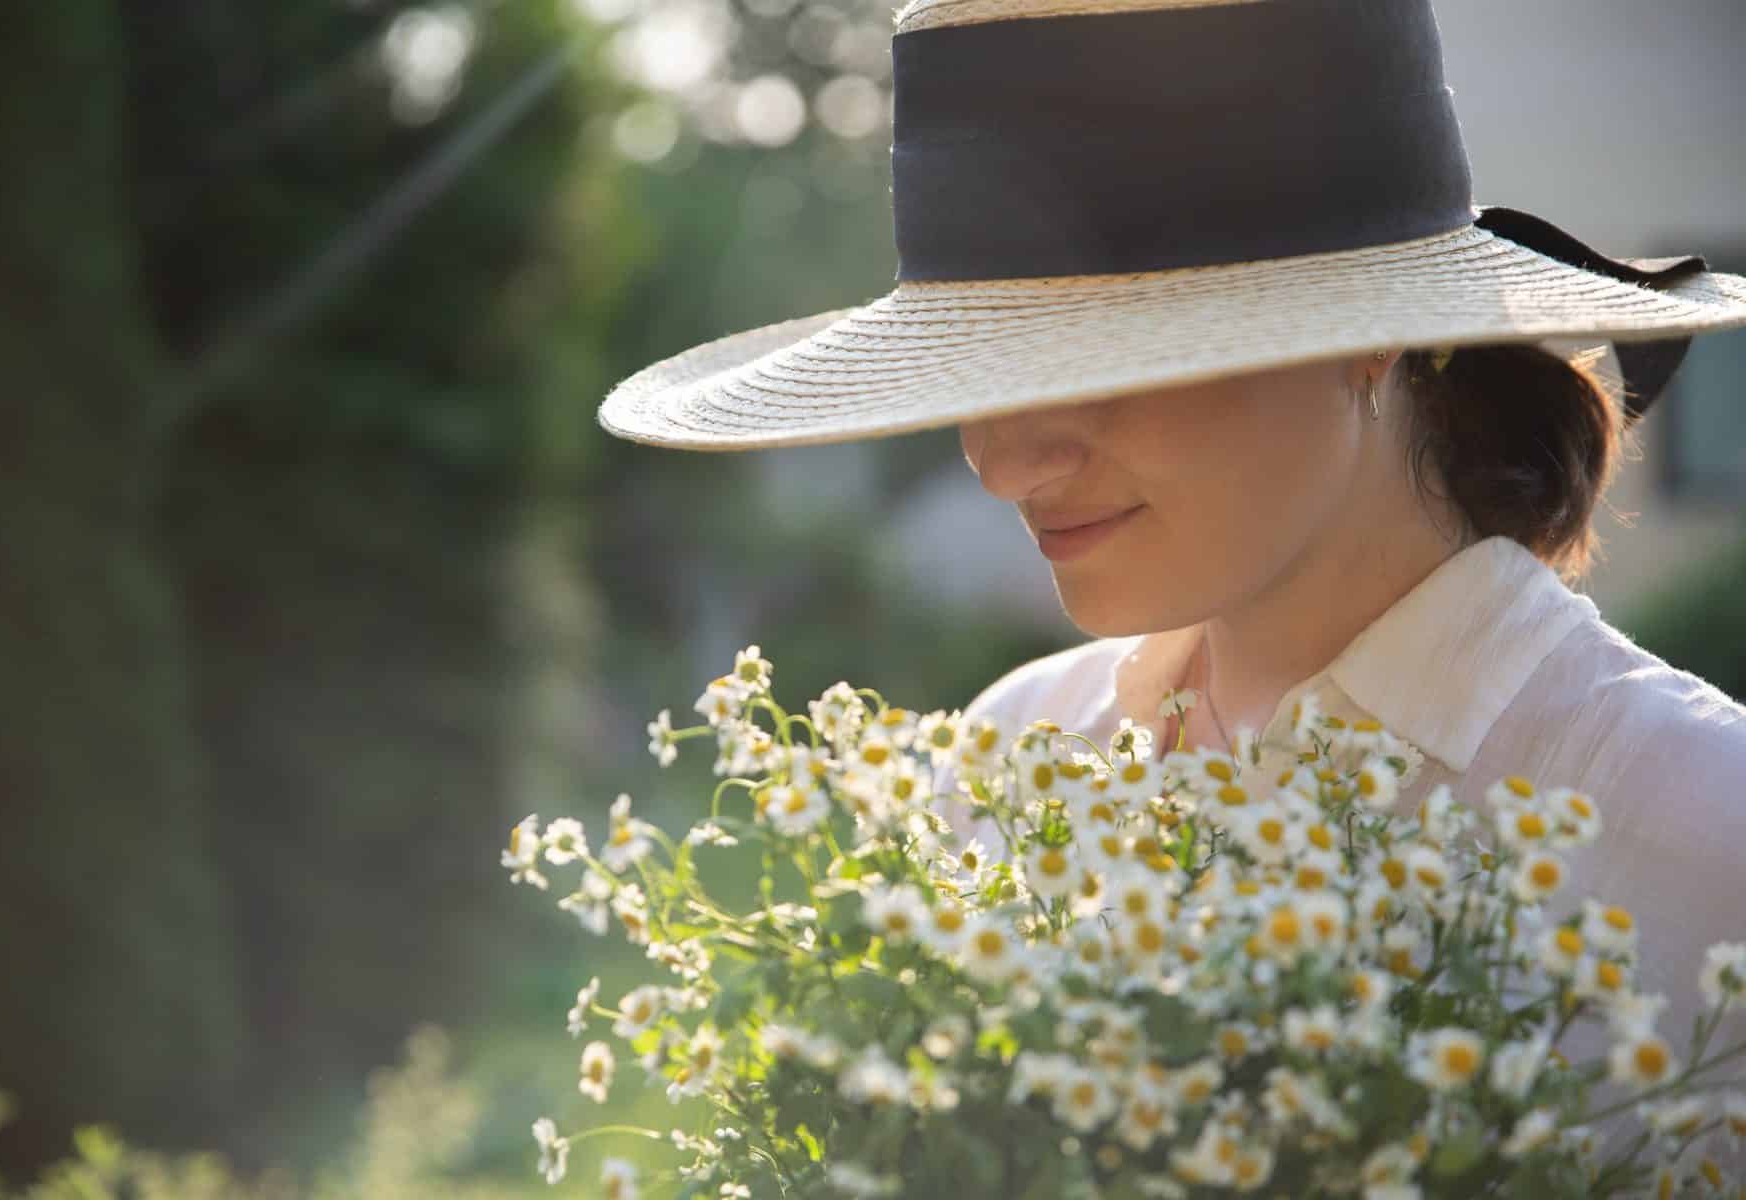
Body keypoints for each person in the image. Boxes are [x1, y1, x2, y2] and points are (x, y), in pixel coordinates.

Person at [595, 0, 1746, 1178]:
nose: (999, 463)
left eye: (1110, 364)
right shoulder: (1012, 757)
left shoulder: (1712, 841)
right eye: (978, 370)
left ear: (1371, 335)